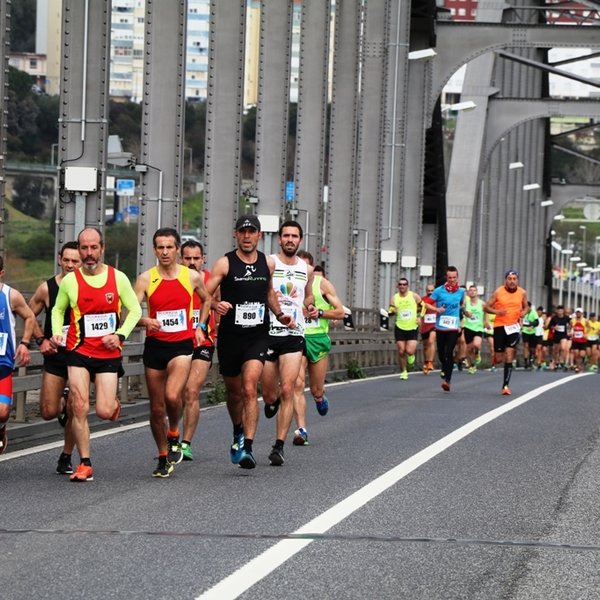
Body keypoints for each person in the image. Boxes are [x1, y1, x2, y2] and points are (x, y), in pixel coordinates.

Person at [50, 227, 142, 481]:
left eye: (93, 248)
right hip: (78, 350)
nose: (89, 254)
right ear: (79, 250)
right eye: (84, 248)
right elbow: (58, 310)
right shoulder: (70, 281)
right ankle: (85, 463)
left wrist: (120, 335)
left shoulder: (118, 278)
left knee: (103, 411)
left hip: (108, 352)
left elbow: (134, 310)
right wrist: (57, 332)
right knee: (78, 406)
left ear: (102, 248)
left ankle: (112, 404)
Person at [206, 215, 293, 470]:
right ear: (236, 235)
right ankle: (237, 431)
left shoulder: (268, 263)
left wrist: (279, 314)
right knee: (234, 394)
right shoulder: (224, 264)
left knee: (248, 387)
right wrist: (214, 304)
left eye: (252, 232)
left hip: (257, 336)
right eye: (243, 232)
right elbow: (203, 293)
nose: (247, 236)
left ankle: (248, 447)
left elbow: (268, 293)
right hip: (231, 338)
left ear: (259, 235)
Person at [134, 228, 212, 477]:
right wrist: (145, 321)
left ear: (177, 249)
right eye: (160, 247)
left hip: (181, 345)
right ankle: (162, 456)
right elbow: (132, 313)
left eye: (169, 247)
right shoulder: (146, 279)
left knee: (171, 395)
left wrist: (200, 326)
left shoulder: (191, 277)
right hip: (155, 346)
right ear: (155, 250)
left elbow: (207, 300)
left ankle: (175, 431)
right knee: (156, 409)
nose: (165, 252)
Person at [260, 221, 317, 466]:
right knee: (270, 393)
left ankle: (279, 446)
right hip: (269, 331)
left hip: (295, 334)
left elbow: (309, 293)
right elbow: (262, 291)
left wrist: (311, 306)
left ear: (300, 240)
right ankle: (270, 401)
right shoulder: (270, 262)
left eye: (294, 236)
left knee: (288, 389)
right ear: (279, 239)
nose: (290, 240)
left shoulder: (308, 268)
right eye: (286, 236)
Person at [28, 241, 81, 473]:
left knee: (75, 408)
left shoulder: (89, 286)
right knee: (48, 412)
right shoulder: (47, 288)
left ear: (83, 262)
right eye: (66, 260)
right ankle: (60, 404)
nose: (70, 265)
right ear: (60, 259)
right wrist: (41, 340)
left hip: (80, 354)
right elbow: (28, 314)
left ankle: (66, 456)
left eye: (75, 261)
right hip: (56, 355)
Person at [292, 250, 344, 446]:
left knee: (316, 389)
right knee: (296, 384)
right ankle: (301, 430)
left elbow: (340, 312)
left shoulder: (322, 284)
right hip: (296, 338)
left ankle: (320, 398)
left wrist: (320, 312)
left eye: (306, 268)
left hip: (318, 339)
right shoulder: (287, 284)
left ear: (312, 269)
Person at [179, 239, 219, 461]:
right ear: (181, 258)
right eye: (188, 258)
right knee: (173, 395)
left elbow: (218, 304)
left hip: (203, 342)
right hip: (177, 341)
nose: (192, 262)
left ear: (203, 259)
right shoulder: (173, 278)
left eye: (196, 258)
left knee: (191, 391)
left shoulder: (211, 279)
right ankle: (173, 435)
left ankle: (186, 443)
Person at [0, 256, 36, 455]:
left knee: (2, 411)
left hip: (3, 363)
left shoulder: (10, 295)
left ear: (1, 273)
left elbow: (30, 316)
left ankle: (1, 429)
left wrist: (24, 343)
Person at [484, 269, 528, 395]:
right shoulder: (499, 291)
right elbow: (486, 307)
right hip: (499, 326)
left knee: (509, 353)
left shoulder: (522, 292)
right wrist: (497, 312)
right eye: (510, 279)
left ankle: (505, 386)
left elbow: (526, 306)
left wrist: (523, 313)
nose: (512, 281)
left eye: (514, 279)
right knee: (499, 358)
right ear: (506, 280)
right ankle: (495, 359)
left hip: (513, 327)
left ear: (517, 280)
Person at [430, 266, 465, 392]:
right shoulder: (439, 291)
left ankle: (447, 381)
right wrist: (436, 309)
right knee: (441, 354)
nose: (452, 280)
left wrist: (463, 319)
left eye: (454, 278)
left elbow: (461, 306)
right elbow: (427, 303)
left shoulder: (461, 292)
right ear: (446, 277)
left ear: (457, 278)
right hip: (440, 327)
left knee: (449, 352)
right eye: (449, 277)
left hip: (453, 327)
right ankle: (444, 368)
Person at [387, 277, 423, 380]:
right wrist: (391, 311)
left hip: (412, 327)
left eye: (404, 284)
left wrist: (419, 317)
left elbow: (422, 306)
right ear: (397, 286)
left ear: (407, 286)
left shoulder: (414, 296)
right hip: (400, 326)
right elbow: (391, 310)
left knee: (409, 350)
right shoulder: (395, 297)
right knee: (401, 351)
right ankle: (404, 371)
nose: (402, 286)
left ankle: (411, 355)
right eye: (400, 284)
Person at [463, 284, 485, 374]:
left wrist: (486, 321)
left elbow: (487, 311)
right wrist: (465, 313)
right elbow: (462, 310)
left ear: (477, 292)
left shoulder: (482, 303)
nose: (472, 292)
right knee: (469, 348)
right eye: (470, 290)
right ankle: (472, 365)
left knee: (476, 344)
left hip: (478, 328)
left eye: (474, 290)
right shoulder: (466, 302)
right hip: (468, 327)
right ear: (468, 292)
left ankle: (477, 353)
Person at [419, 283, 437, 375]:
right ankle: (426, 362)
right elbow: (418, 310)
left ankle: (430, 362)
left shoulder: (438, 300)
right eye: (428, 291)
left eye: (432, 290)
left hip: (435, 325)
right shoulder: (423, 300)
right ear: (426, 291)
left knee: (431, 341)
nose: (430, 292)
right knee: (425, 346)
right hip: (425, 325)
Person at [521, 301, 540, 370]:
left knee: (532, 348)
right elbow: (520, 319)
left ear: (529, 307)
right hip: (525, 331)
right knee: (525, 346)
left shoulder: (534, 312)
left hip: (532, 332)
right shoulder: (523, 312)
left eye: (526, 307)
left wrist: (532, 326)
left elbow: (537, 322)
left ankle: (531, 358)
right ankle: (526, 361)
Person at [569, 307, 587, 373]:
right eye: (577, 312)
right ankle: (578, 366)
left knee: (581, 354)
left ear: (582, 313)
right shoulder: (572, 320)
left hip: (583, 340)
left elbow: (589, 328)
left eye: (579, 312)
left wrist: (586, 334)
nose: (578, 314)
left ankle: (581, 364)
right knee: (576, 353)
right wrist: (570, 332)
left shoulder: (585, 321)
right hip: (575, 339)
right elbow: (569, 327)